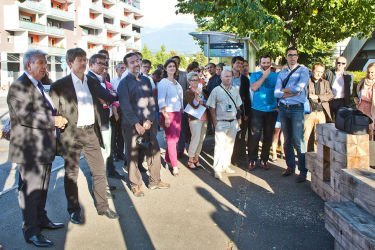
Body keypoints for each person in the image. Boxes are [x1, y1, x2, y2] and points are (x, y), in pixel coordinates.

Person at [50, 48, 119, 224]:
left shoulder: (91, 82)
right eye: (80, 60)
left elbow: (109, 97)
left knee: (98, 170)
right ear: (70, 63)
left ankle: (103, 207)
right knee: (71, 174)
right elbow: (52, 112)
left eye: (85, 59)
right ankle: (73, 211)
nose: (84, 63)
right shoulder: (59, 85)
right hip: (71, 135)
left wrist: (114, 95)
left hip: (90, 132)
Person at [7, 49, 67, 247]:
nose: (45, 66)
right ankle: (31, 231)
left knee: (42, 188)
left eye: (45, 63)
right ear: (28, 65)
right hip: (30, 150)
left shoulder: (39, 85)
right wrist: (53, 120)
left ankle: (41, 220)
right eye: (40, 62)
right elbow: (26, 116)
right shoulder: (19, 86)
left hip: (44, 147)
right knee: (31, 191)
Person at [117, 52, 170, 197]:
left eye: (137, 61)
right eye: (132, 62)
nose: (136, 64)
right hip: (131, 126)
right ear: (127, 65)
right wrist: (136, 124)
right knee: (133, 155)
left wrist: (149, 120)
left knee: (154, 152)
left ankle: (155, 181)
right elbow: (125, 106)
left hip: (148, 124)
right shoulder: (124, 83)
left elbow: (151, 102)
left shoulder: (146, 80)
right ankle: (135, 185)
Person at [274, 46, 310, 183]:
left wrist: (285, 90)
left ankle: (303, 171)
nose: (292, 57)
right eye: (290, 55)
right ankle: (290, 167)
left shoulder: (303, 71)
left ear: (297, 56)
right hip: (283, 108)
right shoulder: (282, 73)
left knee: (298, 140)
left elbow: (299, 88)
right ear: (286, 56)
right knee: (287, 139)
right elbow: (276, 93)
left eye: (294, 55)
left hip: (296, 109)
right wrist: (291, 92)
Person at [87, 54, 122, 179]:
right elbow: (110, 96)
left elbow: (112, 95)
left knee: (106, 151)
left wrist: (109, 96)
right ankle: (100, 183)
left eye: (105, 63)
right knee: (102, 153)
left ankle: (103, 181)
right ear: (91, 65)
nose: (104, 66)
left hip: (106, 119)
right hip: (99, 121)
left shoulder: (100, 79)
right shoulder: (91, 79)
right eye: (100, 63)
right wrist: (109, 96)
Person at [207, 69, 242, 180]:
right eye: (226, 76)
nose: (228, 78)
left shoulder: (235, 90)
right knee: (219, 146)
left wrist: (239, 119)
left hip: (233, 122)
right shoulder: (216, 90)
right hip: (221, 122)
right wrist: (214, 121)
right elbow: (211, 107)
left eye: (230, 76)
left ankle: (226, 165)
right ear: (221, 78)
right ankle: (217, 169)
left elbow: (238, 106)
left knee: (229, 145)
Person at [248, 55, 278, 170]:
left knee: (268, 136)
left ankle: (264, 159)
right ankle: (252, 159)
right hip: (257, 110)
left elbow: (279, 91)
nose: (265, 65)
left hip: (271, 110)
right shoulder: (255, 75)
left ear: (271, 63)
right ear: (260, 64)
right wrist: (264, 76)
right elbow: (254, 88)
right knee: (254, 136)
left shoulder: (275, 76)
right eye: (263, 63)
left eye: (267, 62)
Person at [158, 59, 184, 176]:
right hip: (168, 114)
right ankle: (174, 165)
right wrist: (166, 116)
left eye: (174, 66)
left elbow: (180, 99)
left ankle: (168, 159)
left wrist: (181, 110)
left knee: (175, 140)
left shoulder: (176, 83)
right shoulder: (163, 82)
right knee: (172, 140)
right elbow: (161, 101)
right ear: (165, 69)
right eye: (169, 66)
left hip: (178, 113)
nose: (172, 68)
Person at [304, 63, 333, 151]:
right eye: (317, 71)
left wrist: (318, 97)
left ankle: (317, 157)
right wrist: (309, 95)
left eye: (321, 72)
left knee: (319, 138)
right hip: (309, 113)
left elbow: (331, 95)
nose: (319, 74)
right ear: (312, 71)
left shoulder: (325, 83)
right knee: (305, 136)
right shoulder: (306, 81)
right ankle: (303, 158)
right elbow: (303, 95)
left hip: (321, 113)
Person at [185, 72, 208, 169]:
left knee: (201, 140)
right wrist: (197, 95)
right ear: (189, 81)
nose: (195, 82)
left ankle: (196, 158)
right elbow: (194, 105)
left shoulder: (202, 90)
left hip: (204, 117)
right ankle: (190, 159)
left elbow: (206, 102)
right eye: (193, 80)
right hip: (194, 119)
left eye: (197, 80)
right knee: (195, 138)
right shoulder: (188, 92)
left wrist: (202, 99)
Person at [230, 56, 251, 165]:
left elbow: (247, 97)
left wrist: (246, 113)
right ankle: (228, 156)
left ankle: (236, 157)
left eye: (241, 64)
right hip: (227, 111)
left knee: (240, 134)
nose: (239, 65)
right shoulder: (226, 76)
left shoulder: (245, 79)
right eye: (237, 63)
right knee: (229, 134)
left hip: (240, 110)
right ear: (232, 64)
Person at [171, 56, 188, 157]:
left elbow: (187, 90)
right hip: (170, 108)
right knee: (171, 130)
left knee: (181, 129)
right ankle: (172, 149)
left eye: (176, 63)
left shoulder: (184, 75)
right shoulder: (166, 76)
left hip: (182, 107)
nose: (174, 66)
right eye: (172, 64)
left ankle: (180, 150)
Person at [110, 63, 126, 161]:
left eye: (125, 68)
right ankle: (114, 153)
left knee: (122, 133)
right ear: (116, 70)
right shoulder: (112, 81)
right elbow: (112, 97)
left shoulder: (127, 80)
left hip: (125, 108)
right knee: (114, 133)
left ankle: (121, 153)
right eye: (121, 68)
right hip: (115, 109)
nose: (123, 70)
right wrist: (115, 111)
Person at [355, 62, 375, 132]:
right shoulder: (362, 81)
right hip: (361, 106)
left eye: (372, 72)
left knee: (371, 128)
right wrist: (356, 99)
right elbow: (356, 92)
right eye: (369, 72)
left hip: (372, 108)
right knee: (360, 128)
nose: (370, 74)